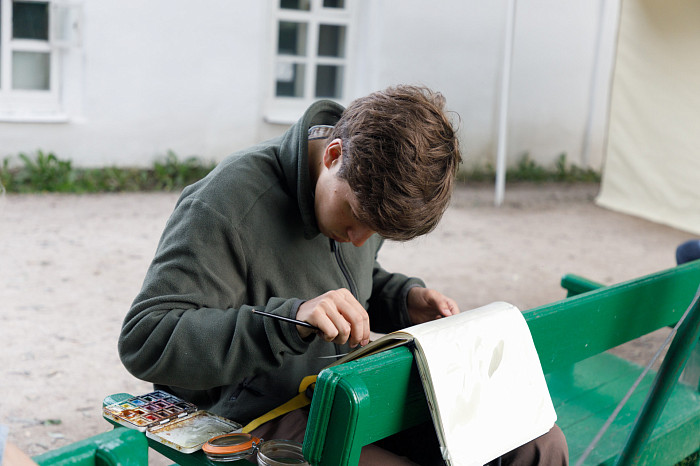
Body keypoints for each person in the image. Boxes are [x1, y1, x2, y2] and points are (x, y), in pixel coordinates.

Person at [118, 85, 568, 465]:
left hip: (351, 389)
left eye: (378, 231)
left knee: (539, 447)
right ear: (334, 154)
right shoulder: (225, 204)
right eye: (356, 216)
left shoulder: (363, 194)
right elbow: (145, 340)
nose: (360, 238)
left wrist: (400, 298)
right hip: (256, 411)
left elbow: (353, 270)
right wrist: (287, 321)